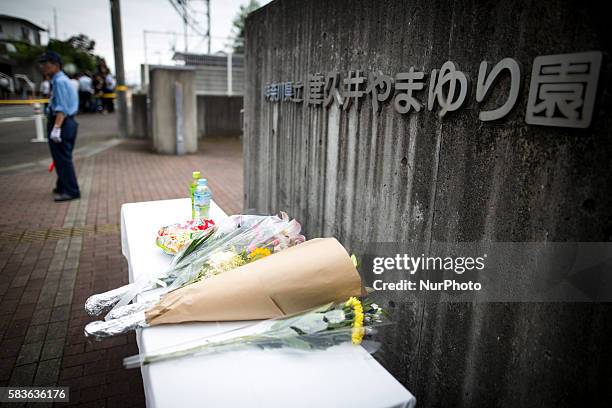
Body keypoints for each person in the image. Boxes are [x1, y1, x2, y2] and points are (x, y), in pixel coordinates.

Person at [38, 50, 81, 202]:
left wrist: (56, 128)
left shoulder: (59, 81)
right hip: (67, 123)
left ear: (55, 65)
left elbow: (61, 108)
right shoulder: (62, 79)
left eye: (46, 64)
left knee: (62, 158)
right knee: (62, 157)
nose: (43, 67)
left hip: (62, 122)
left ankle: (71, 190)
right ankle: (62, 185)